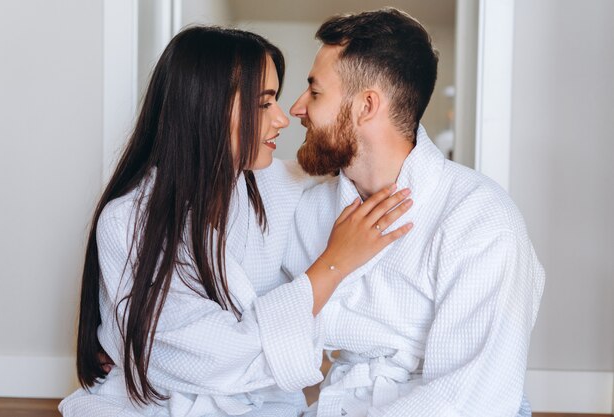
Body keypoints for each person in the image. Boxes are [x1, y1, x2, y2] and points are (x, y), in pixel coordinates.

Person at [59, 26, 414, 417]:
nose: (282, 118)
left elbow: (365, 163)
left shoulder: (275, 185)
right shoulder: (127, 220)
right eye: (264, 105)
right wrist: (333, 265)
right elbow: (206, 357)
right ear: (206, 106)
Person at [283, 8, 546, 417]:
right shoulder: (310, 207)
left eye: (315, 92)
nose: (296, 109)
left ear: (366, 105)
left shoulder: (481, 218)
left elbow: (469, 401)